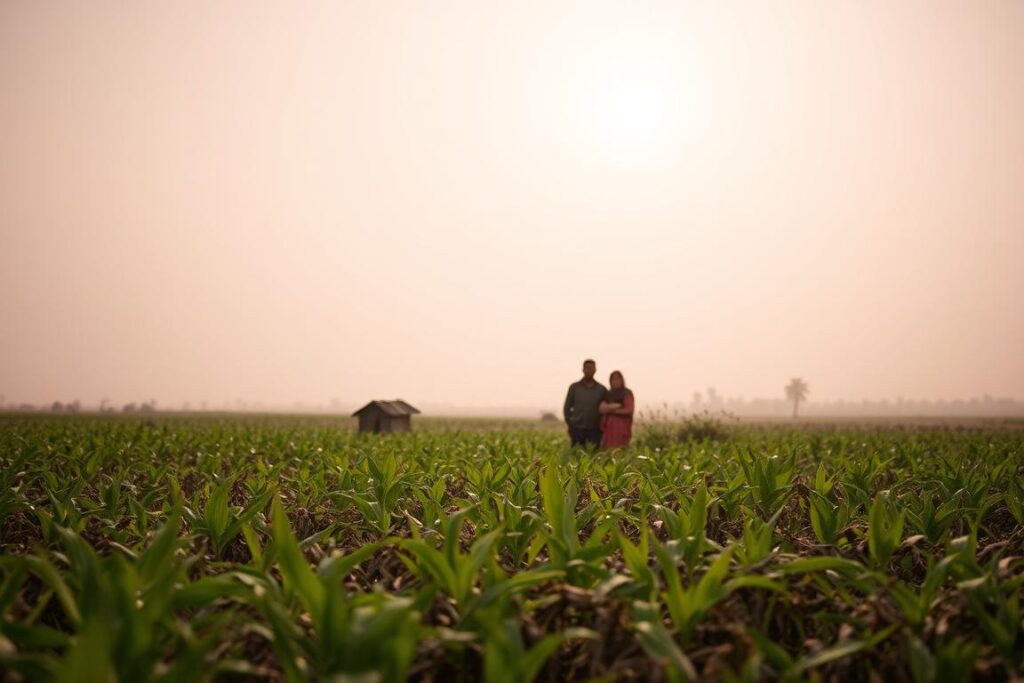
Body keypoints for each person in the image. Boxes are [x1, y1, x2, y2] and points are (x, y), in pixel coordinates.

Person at [563, 359, 607, 448]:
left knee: (593, 457)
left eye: (591, 368)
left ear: (595, 370)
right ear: (583, 370)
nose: (589, 370)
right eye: (587, 368)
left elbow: (605, 408)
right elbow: (567, 408)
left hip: (595, 430)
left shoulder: (601, 389)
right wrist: (571, 425)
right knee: (577, 457)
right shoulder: (574, 387)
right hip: (577, 429)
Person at [599, 370, 634, 449]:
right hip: (608, 430)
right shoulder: (608, 393)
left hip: (621, 429)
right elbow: (602, 409)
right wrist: (615, 406)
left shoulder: (626, 393)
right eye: (613, 379)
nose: (615, 382)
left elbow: (629, 410)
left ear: (622, 380)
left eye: (617, 379)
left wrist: (612, 410)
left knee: (620, 451)